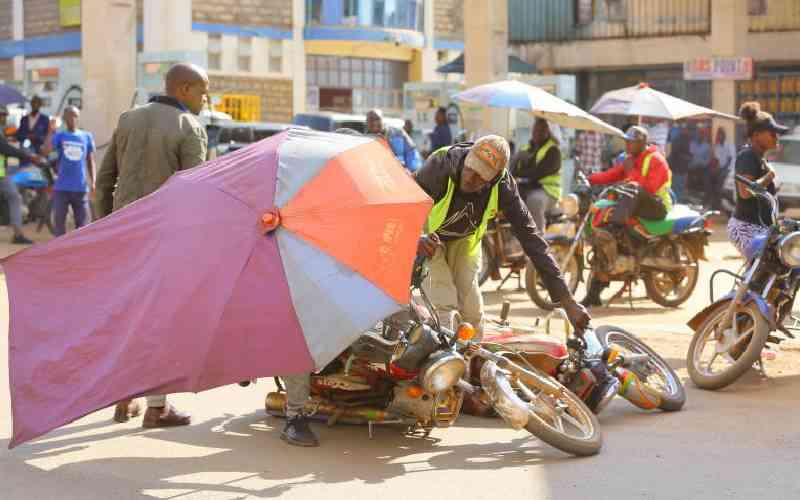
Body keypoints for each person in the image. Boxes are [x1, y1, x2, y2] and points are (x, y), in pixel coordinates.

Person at [98, 62, 209, 428]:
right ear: (184, 89)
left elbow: (104, 181)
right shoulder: (189, 127)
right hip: (164, 240)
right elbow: (195, 194)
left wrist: (104, 229)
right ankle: (157, 407)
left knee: (127, 315)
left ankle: (124, 398)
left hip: (122, 237)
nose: (205, 100)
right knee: (159, 320)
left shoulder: (128, 119)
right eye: (203, 92)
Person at [416, 134, 590, 336]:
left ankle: (471, 355)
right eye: (470, 168)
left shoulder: (504, 187)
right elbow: (405, 204)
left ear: (494, 177)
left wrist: (568, 302)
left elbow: (534, 242)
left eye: (480, 175)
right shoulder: (441, 164)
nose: (470, 178)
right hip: (429, 240)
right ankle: (444, 355)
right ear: (468, 157)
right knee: (444, 307)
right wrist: (416, 238)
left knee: (472, 314)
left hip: (464, 241)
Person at [581, 126, 673, 307]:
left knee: (632, 191)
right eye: (626, 141)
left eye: (630, 142)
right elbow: (611, 175)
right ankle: (593, 294)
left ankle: (617, 225)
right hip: (635, 205)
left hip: (656, 207)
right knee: (603, 235)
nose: (627, 145)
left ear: (641, 143)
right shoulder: (630, 159)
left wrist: (631, 175)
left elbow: (649, 188)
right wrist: (589, 179)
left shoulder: (656, 159)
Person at [728, 102, 788, 257]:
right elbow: (745, 192)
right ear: (756, 135)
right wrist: (770, 175)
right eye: (772, 133)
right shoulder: (747, 156)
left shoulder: (760, 158)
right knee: (766, 267)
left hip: (762, 228)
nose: (776, 137)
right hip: (747, 227)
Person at [41, 106, 96, 236]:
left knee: (83, 227)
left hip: (80, 188)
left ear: (78, 117)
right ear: (64, 118)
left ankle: (79, 249)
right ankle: (59, 248)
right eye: (69, 115)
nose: (72, 118)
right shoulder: (60, 136)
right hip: (62, 188)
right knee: (59, 226)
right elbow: (45, 151)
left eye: (75, 115)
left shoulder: (86, 136)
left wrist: (93, 181)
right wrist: (50, 131)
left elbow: (90, 160)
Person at [0, 105, 44, 244]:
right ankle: (18, 234)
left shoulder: (2, 131)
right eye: (3, 115)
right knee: (15, 198)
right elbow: (5, 148)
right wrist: (28, 156)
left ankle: (18, 234)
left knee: (15, 197)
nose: (5, 118)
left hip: (2, 173)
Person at [510, 118, 562, 232]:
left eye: (541, 130)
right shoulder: (526, 148)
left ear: (547, 132)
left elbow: (538, 173)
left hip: (548, 191)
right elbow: (514, 170)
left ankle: (537, 236)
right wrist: (517, 158)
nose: (537, 133)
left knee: (534, 201)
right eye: (535, 130)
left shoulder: (553, 150)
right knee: (507, 196)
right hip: (529, 187)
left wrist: (520, 173)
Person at [706, 127, 736, 211]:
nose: (719, 136)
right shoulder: (717, 147)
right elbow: (717, 161)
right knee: (709, 177)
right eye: (718, 135)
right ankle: (713, 203)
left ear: (724, 135)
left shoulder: (730, 145)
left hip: (730, 169)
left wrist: (721, 170)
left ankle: (720, 204)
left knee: (720, 180)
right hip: (721, 169)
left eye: (720, 135)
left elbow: (730, 159)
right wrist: (714, 169)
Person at [15, 95, 50, 164]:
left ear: (40, 105)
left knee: (38, 169)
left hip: (39, 151)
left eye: (37, 103)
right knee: (24, 168)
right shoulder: (24, 119)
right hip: (25, 152)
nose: (35, 105)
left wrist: (37, 137)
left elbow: (48, 136)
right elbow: (18, 135)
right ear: (31, 104)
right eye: (33, 102)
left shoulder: (45, 119)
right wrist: (26, 136)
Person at [667, 125, 691, 202]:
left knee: (679, 186)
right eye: (685, 129)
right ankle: (676, 201)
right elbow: (675, 153)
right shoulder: (678, 140)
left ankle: (677, 201)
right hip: (677, 167)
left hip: (682, 167)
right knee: (676, 186)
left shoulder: (686, 139)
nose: (687, 131)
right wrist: (686, 157)